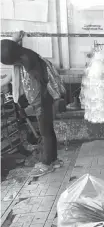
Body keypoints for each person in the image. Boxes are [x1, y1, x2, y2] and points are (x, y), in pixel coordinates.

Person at [1, 32, 65, 177]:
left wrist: (37, 107)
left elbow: (39, 87)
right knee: (48, 130)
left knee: (45, 132)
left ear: (14, 59)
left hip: (42, 101)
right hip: (43, 100)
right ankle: (53, 160)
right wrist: (15, 39)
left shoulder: (29, 64)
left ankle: (46, 163)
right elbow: (11, 48)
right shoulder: (24, 54)